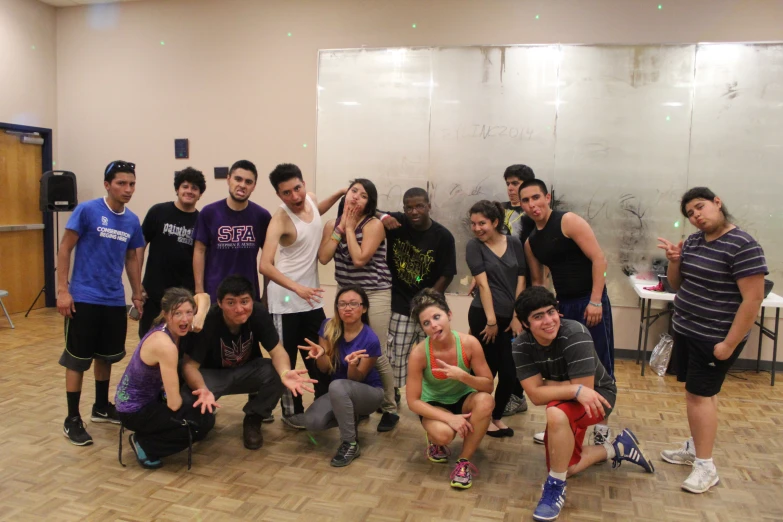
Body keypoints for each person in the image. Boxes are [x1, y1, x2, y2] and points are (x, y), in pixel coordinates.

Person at [657, 187, 766, 494]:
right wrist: (675, 261)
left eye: (700, 207)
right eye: (690, 214)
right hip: (688, 330)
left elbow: (752, 300)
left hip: (715, 337)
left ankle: (706, 466)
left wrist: (729, 344)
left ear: (717, 203)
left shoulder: (743, 245)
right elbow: (677, 285)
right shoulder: (693, 241)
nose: (696, 216)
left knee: (699, 396)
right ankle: (695, 446)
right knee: (700, 394)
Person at [512, 286, 654, 521]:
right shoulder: (520, 345)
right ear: (526, 324)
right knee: (566, 466)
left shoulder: (575, 333)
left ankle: (555, 488)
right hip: (571, 397)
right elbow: (535, 397)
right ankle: (618, 447)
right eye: (538, 317)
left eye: (551, 312)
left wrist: (553, 386)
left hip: (600, 397)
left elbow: (585, 392)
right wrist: (572, 388)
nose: (548, 321)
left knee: (556, 413)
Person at [56, 160, 145, 446]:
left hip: (112, 300)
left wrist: (136, 292)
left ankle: (101, 407)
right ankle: (72, 418)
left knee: (105, 356)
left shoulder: (131, 220)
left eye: (131, 183)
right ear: (107, 185)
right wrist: (62, 290)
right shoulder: (87, 210)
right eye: (121, 183)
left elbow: (131, 258)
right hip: (83, 298)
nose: (127, 189)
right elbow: (65, 247)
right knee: (78, 358)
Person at [519, 178, 614, 446]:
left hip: (590, 302)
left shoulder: (568, 221)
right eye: (525, 200)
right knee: (567, 368)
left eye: (536, 197)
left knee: (598, 365)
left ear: (547, 197)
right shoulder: (531, 243)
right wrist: (542, 315)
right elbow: (539, 284)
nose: (532, 205)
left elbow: (600, 259)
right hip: (562, 307)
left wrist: (595, 301)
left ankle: (601, 429)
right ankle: (565, 425)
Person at [180, 275, 316, 450]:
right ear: (220, 303)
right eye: (231, 303)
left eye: (244, 302)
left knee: (277, 371)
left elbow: (278, 351)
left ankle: (254, 418)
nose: (239, 309)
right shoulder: (209, 320)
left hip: (247, 372)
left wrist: (284, 373)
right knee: (188, 404)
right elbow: (189, 366)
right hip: (212, 377)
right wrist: (203, 390)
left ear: (252, 301)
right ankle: (206, 415)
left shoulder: (258, 313)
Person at [259, 163, 345, 428]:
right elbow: (265, 264)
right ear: (279, 195)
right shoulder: (280, 219)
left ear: (304, 184)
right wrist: (296, 287)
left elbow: (315, 217)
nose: (295, 197)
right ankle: (290, 412)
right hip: (285, 303)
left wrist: (341, 192)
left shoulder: (310, 200)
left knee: (319, 354)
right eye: (287, 193)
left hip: (312, 300)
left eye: (298, 188)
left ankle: (323, 404)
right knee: (287, 360)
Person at [318, 178, 399, 432]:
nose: (356, 197)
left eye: (363, 195)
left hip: (374, 293)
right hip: (346, 293)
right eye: (354, 191)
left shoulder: (375, 224)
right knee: (348, 350)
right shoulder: (333, 224)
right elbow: (323, 257)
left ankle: (389, 408)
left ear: (369, 203)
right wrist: (340, 229)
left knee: (376, 352)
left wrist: (351, 229)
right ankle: (360, 403)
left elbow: (360, 259)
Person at [116, 288, 215, 469]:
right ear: (165, 315)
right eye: (177, 313)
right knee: (199, 424)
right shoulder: (165, 345)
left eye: (188, 313)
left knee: (204, 415)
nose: (185, 319)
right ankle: (146, 445)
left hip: (144, 400)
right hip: (134, 411)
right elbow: (174, 404)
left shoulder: (171, 329)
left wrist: (199, 317)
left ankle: (151, 436)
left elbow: (204, 297)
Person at [406, 289, 495, 489]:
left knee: (486, 401)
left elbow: (488, 385)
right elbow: (412, 401)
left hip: (464, 399)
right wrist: (449, 419)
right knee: (444, 435)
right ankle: (435, 441)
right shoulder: (419, 353)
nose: (434, 325)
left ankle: (463, 462)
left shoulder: (469, 343)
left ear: (449, 315)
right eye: (426, 323)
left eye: (437, 317)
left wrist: (463, 376)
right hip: (435, 404)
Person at [287, 286, 384, 467]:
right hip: (339, 391)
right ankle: (351, 416)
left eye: (353, 304)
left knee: (338, 385)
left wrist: (353, 365)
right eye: (342, 304)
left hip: (369, 394)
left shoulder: (370, 339)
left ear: (364, 308)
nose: (347, 308)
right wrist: (321, 354)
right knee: (312, 422)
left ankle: (350, 443)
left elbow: (356, 380)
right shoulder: (328, 326)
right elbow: (324, 369)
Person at [380, 187, 457, 403]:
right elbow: (370, 210)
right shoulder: (397, 224)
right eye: (409, 207)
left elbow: (448, 273)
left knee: (433, 355)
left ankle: (435, 397)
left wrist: (427, 300)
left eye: (419, 206)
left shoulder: (443, 236)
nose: (414, 211)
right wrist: (383, 216)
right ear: (403, 209)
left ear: (429, 207)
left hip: (429, 309)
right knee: (395, 355)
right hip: (400, 305)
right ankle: (390, 401)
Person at [465, 200, 525, 437]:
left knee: (510, 372)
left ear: (496, 222)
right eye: (473, 224)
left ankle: (496, 416)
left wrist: (517, 316)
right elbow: (482, 283)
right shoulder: (473, 246)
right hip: (484, 316)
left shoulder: (514, 243)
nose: (477, 228)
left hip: (511, 318)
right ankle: (483, 416)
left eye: (482, 223)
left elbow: (521, 278)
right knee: (486, 371)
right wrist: (491, 321)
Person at [137, 167, 206, 337]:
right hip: (154, 293)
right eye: (185, 186)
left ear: (200, 194)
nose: (189, 191)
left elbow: (203, 255)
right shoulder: (158, 212)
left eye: (194, 188)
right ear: (177, 189)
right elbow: (139, 246)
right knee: (149, 339)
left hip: (185, 296)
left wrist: (199, 292)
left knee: (181, 343)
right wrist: (136, 283)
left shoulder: (202, 220)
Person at [193, 160, 271, 303]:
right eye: (238, 179)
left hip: (248, 296)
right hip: (215, 295)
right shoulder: (209, 213)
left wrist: (266, 294)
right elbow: (199, 250)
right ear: (228, 179)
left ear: (254, 186)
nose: (242, 185)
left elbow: (268, 258)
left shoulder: (262, 216)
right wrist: (199, 292)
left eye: (248, 182)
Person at [500, 164, 537, 417]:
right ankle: (503, 392)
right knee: (503, 344)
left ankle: (517, 395)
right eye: (508, 184)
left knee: (520, 344)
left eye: (516, 183)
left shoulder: (532, 216)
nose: (511, 189)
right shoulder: (499, 211)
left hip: (525, 287)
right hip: (500, 287)